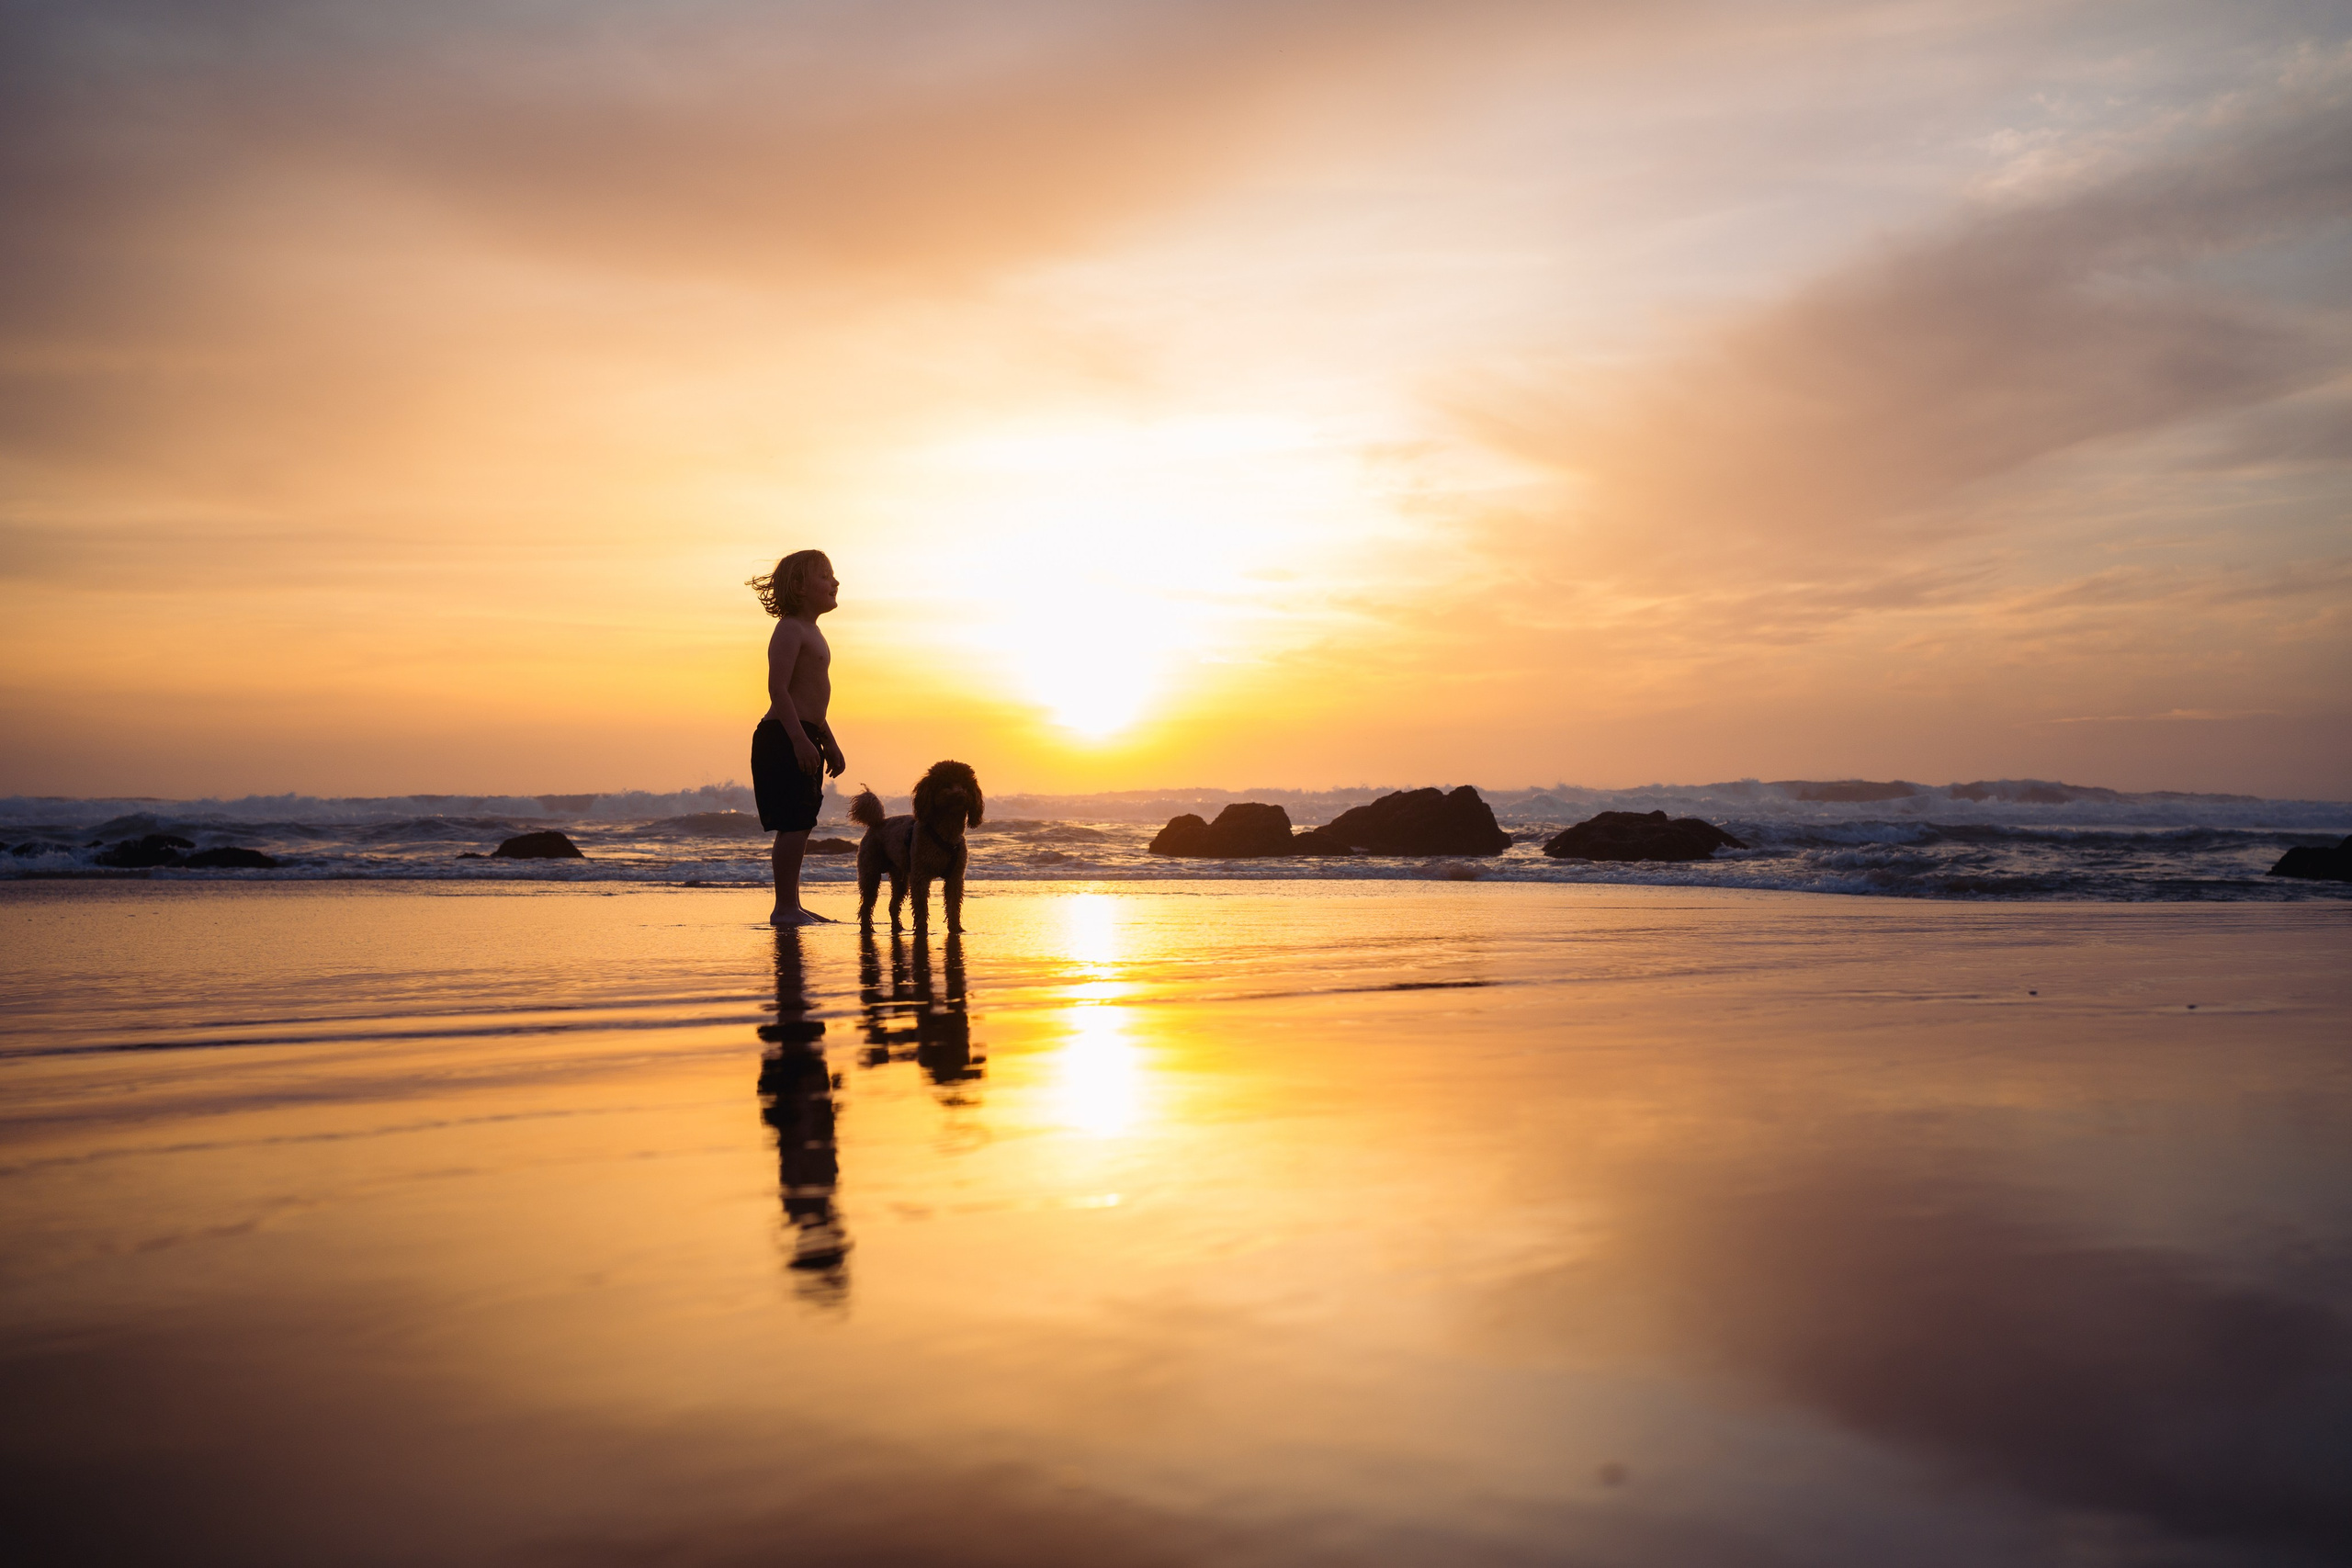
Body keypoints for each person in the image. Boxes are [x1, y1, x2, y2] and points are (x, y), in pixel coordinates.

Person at [748, 549, 846, 925]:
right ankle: (784, 907)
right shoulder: (790, 628)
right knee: (793, 822)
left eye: (834, 575)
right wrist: (799, 740)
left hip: (804, 732)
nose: (835, 582)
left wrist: (828, 740)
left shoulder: (814, 632)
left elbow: (812, 702)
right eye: (825, 575)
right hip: (783, 735)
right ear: (799, 587)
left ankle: (793, 903)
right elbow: (779, 689)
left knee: (803, 821)